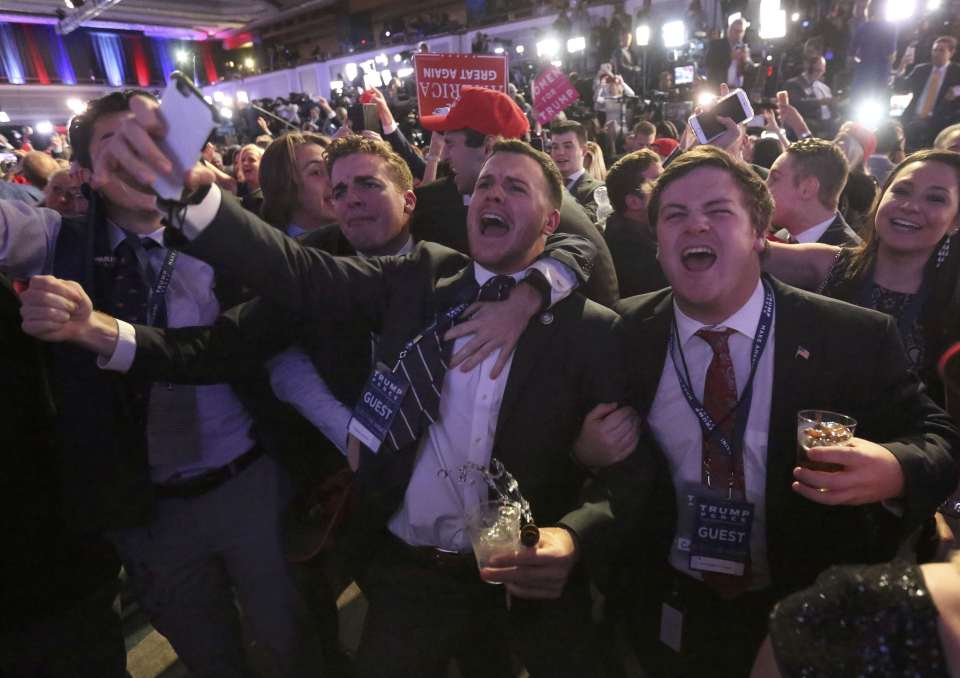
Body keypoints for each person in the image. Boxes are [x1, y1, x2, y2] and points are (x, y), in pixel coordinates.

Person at [22, 113, 638, 677]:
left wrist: (576, 534)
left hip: (518, 576)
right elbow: (295, 273)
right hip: (408, 569)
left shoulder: (591, 331)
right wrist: (193, 196)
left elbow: (631, 477)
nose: (493, 194)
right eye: (486, 186)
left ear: (551, 223)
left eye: (516, 187)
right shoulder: (421, 275)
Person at [591, 145, 958, 677]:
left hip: (805, 612)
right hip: (666, 602)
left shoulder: (850, 336)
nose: (694, 226)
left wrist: (895, 469)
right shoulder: (625, 332)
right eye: (675, 215)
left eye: (718, 211)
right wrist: (588, 450)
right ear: (658, 244)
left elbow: (939, 437)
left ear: (760, 232)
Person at [1, 90, 324, 677]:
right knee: (208, 658)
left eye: (151, 139)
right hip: (148, 510)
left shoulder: (225, 232)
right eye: (115, 145)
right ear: (86, 173)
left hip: (249, 482)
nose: (138, 155)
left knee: (290, 646)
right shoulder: (56, 241)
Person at [763, 149, 960, 406]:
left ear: (955, 220)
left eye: (935, 198)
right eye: (901, 191)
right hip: (808, 437)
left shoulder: (952, 305)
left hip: (901, 445)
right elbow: (740, 253)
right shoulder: (829, 265)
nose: (910, 206)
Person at [412, 86, 621, 307]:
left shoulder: (540, 206)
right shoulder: (443, 201)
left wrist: (526, 300)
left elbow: (595, 280)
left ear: (488, 146)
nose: (443, 156)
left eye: (451, 144)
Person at [767, 138, 862, 246]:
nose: (764, 187)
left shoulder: (850, 258)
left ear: (807, 189)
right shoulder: (779, 238)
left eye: (775, 178)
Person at [602, 149, 668, 297]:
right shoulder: (635, 258)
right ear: (634, 202)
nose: (669, 185)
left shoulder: (648, 232)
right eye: (659, 181)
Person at [259, 131, 335, 237]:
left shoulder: (359, 240)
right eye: (316, 172)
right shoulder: (276, 251)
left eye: (332, 168)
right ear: (284, 185)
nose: (334, 179)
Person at [895, 36, 960, 151]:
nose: (936, 54)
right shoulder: (921, 70)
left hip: (939, 124)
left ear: (951, 52)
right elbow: (901, 87)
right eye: (934, 50)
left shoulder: (956, 72)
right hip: (912, 119)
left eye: (941, 50)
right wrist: (902, 67)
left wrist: (956, 91)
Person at [550, 120, 604, 223]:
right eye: (555, 147)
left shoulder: (598, 189)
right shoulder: (545, 186)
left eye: (568, 146)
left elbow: (586, 222)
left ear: (583, 150)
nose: (560, 152)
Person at [783, 55, 837, 138]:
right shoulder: (794, 84)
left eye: (821, 71)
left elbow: (832, 106)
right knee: (812, 125)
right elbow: (795, 104)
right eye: (816, 70)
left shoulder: (824, 88)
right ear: (808, 67)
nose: (818, 73)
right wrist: (819, 102)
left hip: (828, 122)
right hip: (809, 121)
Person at [704, 18, 748, 91]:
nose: (738, 34)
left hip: (737, 89)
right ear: (729, 30)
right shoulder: (716, 45)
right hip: (719, 88)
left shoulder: (743, 47)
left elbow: (749, 71)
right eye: (736, 31)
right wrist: (730, 57)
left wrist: (745, 60)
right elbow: (708, 63)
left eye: (741, 31)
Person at [236, 143, 264, 215]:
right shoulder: (239, 188)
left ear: (263, 164)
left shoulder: (271, 193)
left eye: (252, 159)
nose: (245, 163)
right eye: (242, 160)